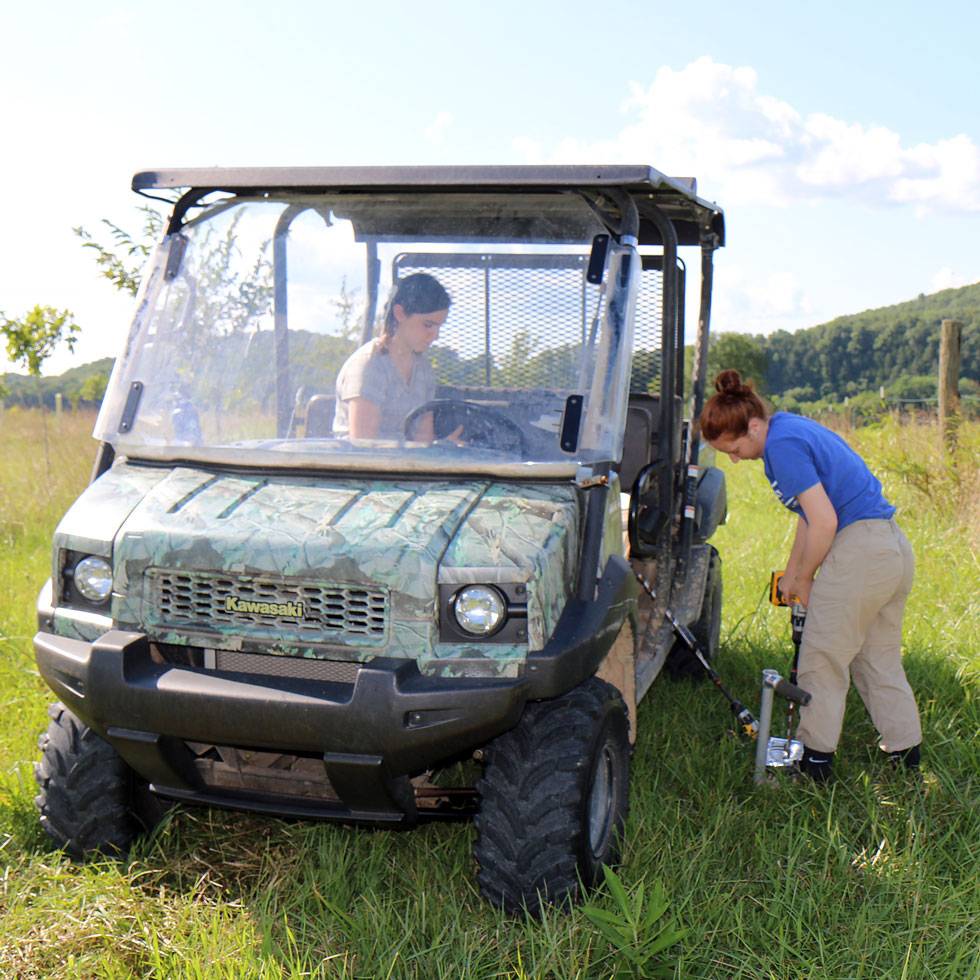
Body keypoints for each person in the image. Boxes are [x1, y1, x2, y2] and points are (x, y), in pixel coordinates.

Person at [699, 370, 922, 781]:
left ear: (753, 426)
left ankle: (814, 763)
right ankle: (906, 755)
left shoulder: (781, 446)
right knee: (877, 658)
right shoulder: (790, 429)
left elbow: (824, 522)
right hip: (889, 548)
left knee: (821, 659)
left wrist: (803, 578)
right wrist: (793, 574)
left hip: (860, 551)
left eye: (734, 447)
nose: (734, 458)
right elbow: (808, 518)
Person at [333, 273, 451, 441]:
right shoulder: (368, 366)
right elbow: (363, 447)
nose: (435, 335)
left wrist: (444, 449)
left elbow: (423, 441)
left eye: (439, 327)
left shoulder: (424, 370)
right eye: (428, 325)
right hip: (362, 465)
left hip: (405, 464)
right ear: (400, 313)